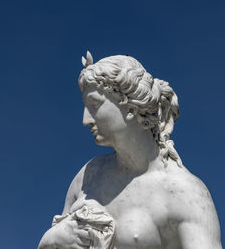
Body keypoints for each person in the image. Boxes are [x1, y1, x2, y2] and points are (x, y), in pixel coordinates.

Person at [38, 52, 222, 249]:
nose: (86, 120)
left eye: (94, 105)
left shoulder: (184, 192)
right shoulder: (87, 176)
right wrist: (52, 239)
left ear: (131, 106)